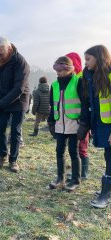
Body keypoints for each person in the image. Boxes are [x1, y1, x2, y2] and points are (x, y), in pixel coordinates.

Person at [0, 36, 30, 172]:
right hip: (3, 94)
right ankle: (2, 155)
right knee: (0, 127)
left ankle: (13, 160)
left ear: (9, 49)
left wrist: (1, 104)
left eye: (0, 54)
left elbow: (18, 89)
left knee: (15, 131)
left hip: (19, 99)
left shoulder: (20, 63)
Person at [48, 56, 87, 191]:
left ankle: (76, 180)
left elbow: (85, 104)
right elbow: (52, 106)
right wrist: (51, 122)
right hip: (59, 125)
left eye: (61, 70)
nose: (58, 73)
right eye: (57, 70)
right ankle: (60, 178)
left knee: (73, 152)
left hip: (74, 125)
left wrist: (84, 124)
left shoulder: (79, 82)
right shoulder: (54, 85)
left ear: (69, 69)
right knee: (59, 151)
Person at [79, 45, 111, 208]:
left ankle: (105, 194)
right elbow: (91, 103)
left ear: (99, 58)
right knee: (108, 156)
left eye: (88, 59)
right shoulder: (89, 76)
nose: (86, 63)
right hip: (101, 125)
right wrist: (89, 124)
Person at [65, 52, 90, 180]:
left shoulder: (81, 79)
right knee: (75, 147)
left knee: (82, 147)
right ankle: (78, 172)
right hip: (73, 120)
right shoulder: (72, 79)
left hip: (82, 120)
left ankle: (83, 174)